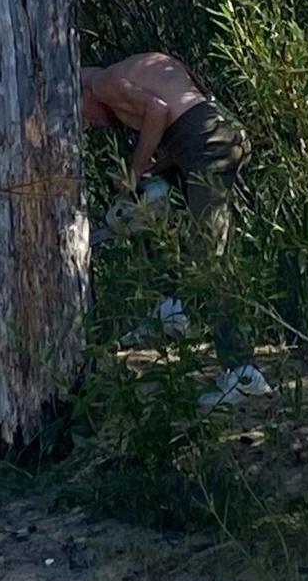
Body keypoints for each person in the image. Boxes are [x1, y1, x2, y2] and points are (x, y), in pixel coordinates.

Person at [80, 51, 269, 405]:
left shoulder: (102, 82)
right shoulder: (139, 67)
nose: (90, 124)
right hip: (221, 133)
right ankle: (170, 309)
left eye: (84, 118)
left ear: (82, 93)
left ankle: (242, 372)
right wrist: (150, 174)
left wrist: (134, 172)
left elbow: (159, 111)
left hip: (205, 146)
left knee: (210, 258)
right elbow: (184, 118)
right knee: (145, 206)